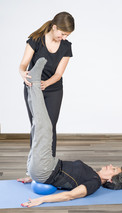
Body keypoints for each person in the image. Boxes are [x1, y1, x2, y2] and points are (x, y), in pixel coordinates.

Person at [18, 58, 122, 208]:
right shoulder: (92, 173)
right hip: (44, 167)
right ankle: (32, 84)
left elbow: (69, 195)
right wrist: (32, 178)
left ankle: (34, 81)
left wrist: (41, 200)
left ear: (111, 180)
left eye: (114, 169)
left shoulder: (93, 183)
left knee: (44, 127)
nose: (110, 165)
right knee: (38, 126)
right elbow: (63, 181)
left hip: (44, 169)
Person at [19, 11, 74, 157]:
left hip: (53, 90)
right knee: (37, 127)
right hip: (33, 88)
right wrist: (23, 73)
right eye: (62, 34)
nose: (64, 38)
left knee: (49, 127)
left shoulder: (66, 47)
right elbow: (23, 65)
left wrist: (46, 83)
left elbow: (58, 74)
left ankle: (50, 166)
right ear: (54, 27)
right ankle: (33, 168)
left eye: (67, 35)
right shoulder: (36, 40)